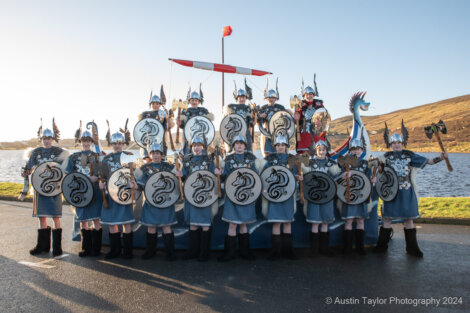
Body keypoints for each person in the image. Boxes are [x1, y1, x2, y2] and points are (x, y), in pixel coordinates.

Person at [374, 123, 447, 257]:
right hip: (391, 193)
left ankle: (412, 249)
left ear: (402, 143)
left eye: (399, 142)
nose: (397, 145)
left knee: (409, 220)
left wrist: (440, 158)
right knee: (387, 220)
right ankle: (381, 247)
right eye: (394, 142)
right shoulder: (386, 156)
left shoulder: (409, 155)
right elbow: (373, 167)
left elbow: (429, 161)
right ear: (391, 144)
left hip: (407, 191)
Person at [23, 120, 69, 256]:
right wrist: (26, 172)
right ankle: (42, 246)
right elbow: (30, 169)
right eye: (44, 138)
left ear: (52, 139)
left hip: (54, 188)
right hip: (40, 187)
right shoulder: (36, 152)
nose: (46, 141)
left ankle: (57, 247)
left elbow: (65, 169)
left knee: (55, 216)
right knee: (41, 216)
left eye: (49, 138)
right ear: (41, 139)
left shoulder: (59, 152)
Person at [175, 136, 222, 261]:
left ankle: (204, 253)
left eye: (198, 145)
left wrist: (217, 172)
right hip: (191, 196)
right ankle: (193, 251)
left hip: (205, 196)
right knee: (193, 225)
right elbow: (184, 177)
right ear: (191, 147)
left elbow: (213, 176)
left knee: (205, 224)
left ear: (202, 146)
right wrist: (180, 174)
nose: (196, 147)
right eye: (194, 145)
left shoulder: (208, 160)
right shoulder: (187, 160)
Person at [218, 135, 261, 262]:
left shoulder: (251, 159)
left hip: (246, 196)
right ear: (234, 145)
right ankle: (230, 253)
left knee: (243, 225)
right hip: (232, 196)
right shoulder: (229, 159)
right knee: (232, 224)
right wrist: (220, 174)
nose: (239, 145)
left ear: (245, 145)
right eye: (237, 143)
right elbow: (225, 176)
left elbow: (255, 177)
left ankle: (245, 252)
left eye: (241, 143)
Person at [134, 143, 177, 261]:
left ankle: (170, 253)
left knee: (166, 227)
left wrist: (179, 175)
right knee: (151, 228)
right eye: (153, 153)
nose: (156, 156)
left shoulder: (169, 167)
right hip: (150, 203)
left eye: (158, 153)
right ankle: (150, 252)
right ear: (150, 154)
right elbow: (141, 185)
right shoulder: (144, 168)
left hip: (165, 202)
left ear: (161, 155)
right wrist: (135, 186)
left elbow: (176, 184)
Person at [64, 127, 103, 257]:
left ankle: (96, 248)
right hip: (80, 193)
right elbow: (68, 174)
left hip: (95, 191)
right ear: (81, 141)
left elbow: (102, 173)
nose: (86, 143)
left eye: (88, 141)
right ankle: (86, 248)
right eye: (84, 141)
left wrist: (96, 177)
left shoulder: (97, 156)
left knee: (96, 220)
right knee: (83, 220)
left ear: (91, 142)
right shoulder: (74, 157)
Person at [260, 135, 300, 260]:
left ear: (287, 146)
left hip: (288, 194)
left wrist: (299, 177)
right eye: (278, 145)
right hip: (275, 195)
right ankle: (275, 251)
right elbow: (265, 176)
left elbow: (295, 174)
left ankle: (288, 251)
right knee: (276, 222)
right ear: (275, 147)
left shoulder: (293, 159)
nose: (280, 147)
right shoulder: (269, 159)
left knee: (288, 222)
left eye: (283, 145)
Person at [99, 129, 136, 259]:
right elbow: (101, 176)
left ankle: (127, 252)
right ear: (111, 144)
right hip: (110, 194)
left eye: (119, 143)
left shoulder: (129, 156)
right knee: (111, 223)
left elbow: (134, 174)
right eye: (114, 143)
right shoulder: (106, 159)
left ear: (123, 143)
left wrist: (134, 183)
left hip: (124, 194)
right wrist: (101, 184)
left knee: (126, 223)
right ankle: (115, 250)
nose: (117, 145)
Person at [300, 140, 340, 256]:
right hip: (314, 198)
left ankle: (324, 249)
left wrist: (342, 178)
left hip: (327, 197)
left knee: (325, 222)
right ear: (316, 151)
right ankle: (314, 250)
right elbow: (305, 178)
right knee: (315, 223)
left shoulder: (332, 164)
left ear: (327, 151)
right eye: (319, 150)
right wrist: (302, 178)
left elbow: (337, 179)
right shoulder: (310, 163)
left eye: (323, 150)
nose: (321, 152)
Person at [338, 139, 375, 255]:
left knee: (360, 220)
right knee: (348, 221)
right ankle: (347, 248)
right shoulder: (345, 163)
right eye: (354, 149)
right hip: (348, 195)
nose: (356, 151)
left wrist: (373, 180)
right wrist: (344, 175)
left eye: (358, 149)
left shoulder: (366, 164)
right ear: (350, 151)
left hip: (361, 195)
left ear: (362, 150)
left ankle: (360, 247)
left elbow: (369, 179)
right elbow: (338, 179)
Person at [138, 86, 173, 161]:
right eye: (153, 103)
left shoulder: (163, 114)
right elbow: (140, 129)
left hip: (160, 140)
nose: (155, 105)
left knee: (161, 161)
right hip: (148, 140)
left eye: (157, 103)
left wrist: (168, 118)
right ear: (150, 104)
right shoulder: (145, 114)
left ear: (160, 104)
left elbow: (167, 127)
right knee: (147, 160)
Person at [176, 85, 214, 155]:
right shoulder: (185, 111)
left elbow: (208, 124)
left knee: (203, 156)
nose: (194, 102)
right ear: (189, 101)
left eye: (196, 100)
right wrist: (179, 123)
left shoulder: (204, 111)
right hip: (188, 137)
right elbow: (183, 126)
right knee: (187, 155)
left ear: (199, 102)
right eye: (192, 100)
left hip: (201, 138)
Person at [258, 79, 291, 157]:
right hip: (268, 134)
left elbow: (287, 119)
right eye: (269, 97)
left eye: (273, 97)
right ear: (266, 98)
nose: (271, 99)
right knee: (268, 155)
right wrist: (260, 116)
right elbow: (258, 122)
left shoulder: (280, 107)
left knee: (282, 154)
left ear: (276, 98)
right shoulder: (263, 108)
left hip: (280, 134)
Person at [294, 78, 325, 155]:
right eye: (307, 95)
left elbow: (325, 117)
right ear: (304, 96)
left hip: (317, 129)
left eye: (310, 94)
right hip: (305, 130)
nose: (309, 96)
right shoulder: (300, 106)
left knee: (319, 149)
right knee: (305, 152)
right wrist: (296, 118)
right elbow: (297, 121)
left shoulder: (319, 105)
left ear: (313, 95)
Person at [225, 79, 256, 152]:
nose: (242, 99)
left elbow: (250, 120)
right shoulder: (232, 107)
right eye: (240, 97)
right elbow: (228, 118)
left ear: (246, 98)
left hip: (246, 130)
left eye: (243, 97)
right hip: (236, 131)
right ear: (237, 98)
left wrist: (252, 122)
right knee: (233, 148)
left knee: (248, 147)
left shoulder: (248, 108)